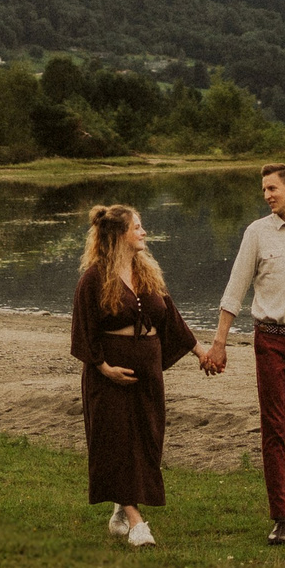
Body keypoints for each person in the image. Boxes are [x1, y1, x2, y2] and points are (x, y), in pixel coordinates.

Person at [199, 164, 285, 545]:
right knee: (272, 428)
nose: (267, 195)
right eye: (264, 189)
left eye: (273, 188)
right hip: (270, 340)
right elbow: (235, 290)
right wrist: (219, 343)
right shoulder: (256, 233)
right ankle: (280, 516)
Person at [70, 203, 200, 547]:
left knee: (146, 442)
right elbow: (83, 330)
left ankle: (121, 505)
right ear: (119, 235)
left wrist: (203, 353)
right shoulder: (94, 279)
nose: (143, 233)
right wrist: (102, 367)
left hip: (148, 371)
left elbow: (171, 319)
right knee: (116, 443)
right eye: (138, 227)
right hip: (111, 374)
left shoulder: (146, 272)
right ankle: (136, 522)